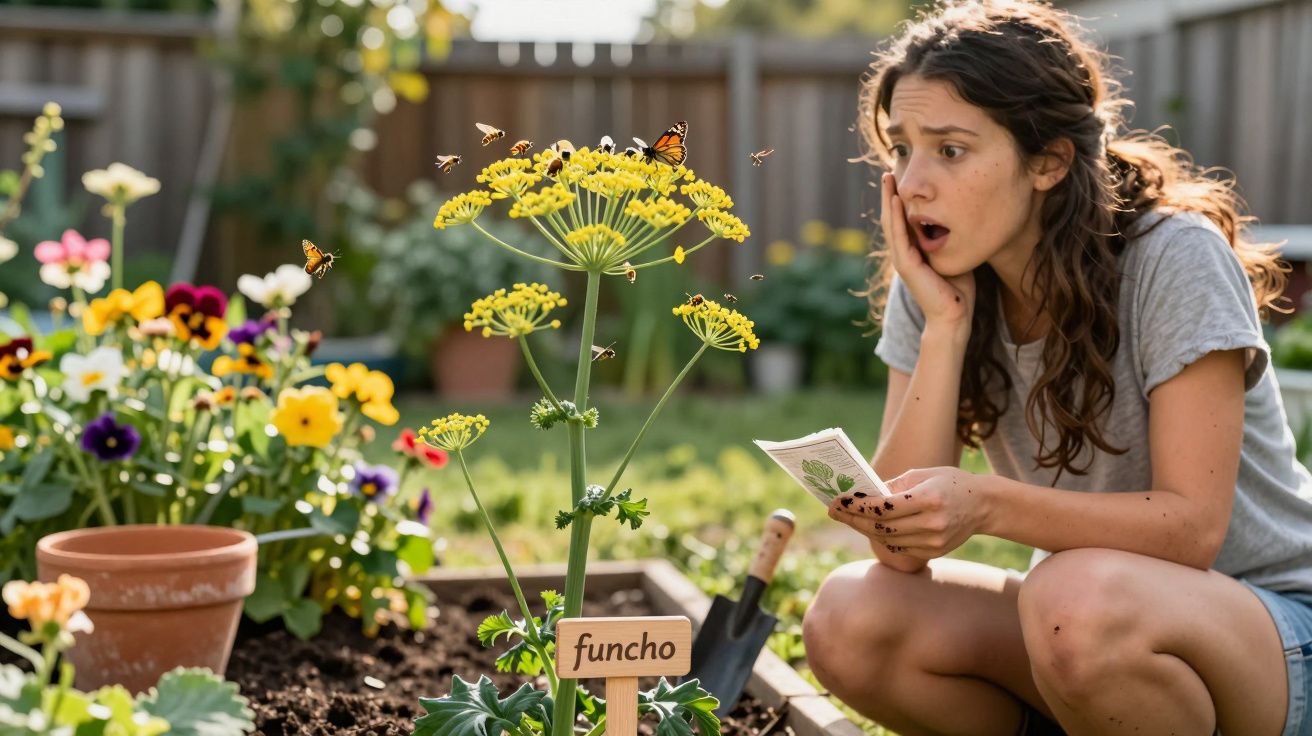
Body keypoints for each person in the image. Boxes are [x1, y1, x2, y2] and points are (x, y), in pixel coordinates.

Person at [801, 2, 1312, 734]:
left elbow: (1192, 529)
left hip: (1274, 630)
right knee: (852, 616)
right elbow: (897, 550)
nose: (911, 183)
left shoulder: (1173, 258)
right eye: (902, 149)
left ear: (1048, 161)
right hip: (1088, 627)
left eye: (950, 150)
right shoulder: (940, 282)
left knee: (1072, 597)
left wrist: (986, 504)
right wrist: (945, 327)